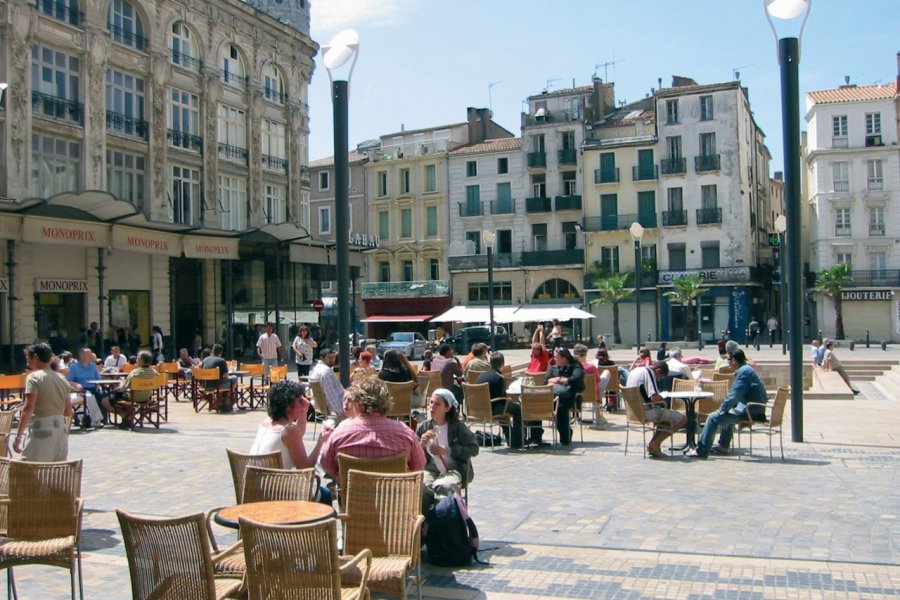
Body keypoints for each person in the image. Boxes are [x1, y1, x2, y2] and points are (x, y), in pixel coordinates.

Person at [320, 377, 426, 480]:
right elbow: (418, 467)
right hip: (393, 495)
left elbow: (328, 467)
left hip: (353, 495)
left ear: (357, 402)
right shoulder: (405, 433)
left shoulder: (341, 432)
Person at [250, 379, 333, 504]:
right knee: (325, 494)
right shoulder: (289, 431)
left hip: (257, 489)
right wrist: (321, 442)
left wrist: (303, 412)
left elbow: (297, 434)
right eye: (300, 401)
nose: (304, 402)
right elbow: (305, 468)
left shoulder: (266, 422)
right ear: (288, 406)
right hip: (279, 493)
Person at [689, 349, 767, 458]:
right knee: (726, 414)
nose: (728, 363)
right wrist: (726, 410)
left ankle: (701, 450)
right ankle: (723, 447)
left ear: (734, 360)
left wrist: (722, 410)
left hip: (751, 411)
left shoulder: (744, 372)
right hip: (754, 409)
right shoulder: (747, 369)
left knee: (713, 417)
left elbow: (734, 395)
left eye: (729, 360)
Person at [417, 388, 478, 506]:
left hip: (455, 469)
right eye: (431, 402)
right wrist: (421, 445)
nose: (432, 407)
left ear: (447, 408)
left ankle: (450, 516)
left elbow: (473, 449)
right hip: (431, 469)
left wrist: (447, 450)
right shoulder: (424, 427)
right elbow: (412, 454)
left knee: (445, 486)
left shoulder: (458, 427)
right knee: (421, 486)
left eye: (437, 404)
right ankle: (429, 518)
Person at [14, 343, 73, 461]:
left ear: (35, 357)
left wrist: (18, 436)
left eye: (28, 358)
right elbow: (68, 411)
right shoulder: (62, 378)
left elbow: (29, 408)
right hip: (61, 431)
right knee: (55, 473)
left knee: (27, 470)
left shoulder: (34, 377)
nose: (27, 363)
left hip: (42, 428)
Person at [625, 361, 687, 458]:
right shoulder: (649, 373)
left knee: (665, 416)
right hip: (647, 412)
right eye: (660, 377)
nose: (659, 379)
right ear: (658, 371)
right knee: (683, 419)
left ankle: (654, 445)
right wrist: (664, 396)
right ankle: (655, 443)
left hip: (634, 412)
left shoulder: (635, 371)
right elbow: (654, 398)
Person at [476, 352, 524, 449]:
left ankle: (511, 439)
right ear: (502, 364)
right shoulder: (499, 377)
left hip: (480, 409)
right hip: (493, 408)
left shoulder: (481, 376)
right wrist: (510, 400)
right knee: (517, 409)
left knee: (504, 411)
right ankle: (517, 441)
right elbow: (502, 398)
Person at [541, 347, 584, 446]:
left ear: (564, 358)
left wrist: (559, 379)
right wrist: (556, 379)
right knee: (535, 405)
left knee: (560, 408)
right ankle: (536, 436)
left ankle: (565, 436)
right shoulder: (554, 368)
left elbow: (576, 379)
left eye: (556, 357)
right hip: (552, 397)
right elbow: (544, 381)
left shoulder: (575, 367)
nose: (554, 359)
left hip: (569, 397)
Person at [110, 351, 160, 428]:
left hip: (133, 398)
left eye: (137, 358)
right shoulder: (155, 373)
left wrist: (117, 388)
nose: (136, 360)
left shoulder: (135, 373)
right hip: (147, 398)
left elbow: (123, 389)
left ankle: (127, 417)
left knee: (111, 398)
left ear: (141, 360)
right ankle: (129, 417)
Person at [67, 348, 109, 423]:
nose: (91, 356)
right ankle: (96, 420)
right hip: (82, 389)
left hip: (93, 387)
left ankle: (103, 419)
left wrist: (98, 384)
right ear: (81, 356)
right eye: (88, 355)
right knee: (90, 396)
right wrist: (76, 384)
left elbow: (98, 378)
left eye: (91, 354)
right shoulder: (74, 367)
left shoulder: (93, 366)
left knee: (105, 395)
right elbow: (69, 380)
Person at [572, 344, 608, 427]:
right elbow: (598, 380)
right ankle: (599, 416)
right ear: (585, 354)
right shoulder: (591, 367)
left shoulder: (571, 367)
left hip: (576, 395)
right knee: (606, 373)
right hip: (593, 394)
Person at [309, 348, 345, 418]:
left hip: (321, 402)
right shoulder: (325, 372)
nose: (332, 360)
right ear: (322, 358)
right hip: (336, 402)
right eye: (329, 357)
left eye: (334, 357)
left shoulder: (316, 368)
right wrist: (341, 412)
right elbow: (331, 394)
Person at [200, 344, 236, 412]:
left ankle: (222, 399)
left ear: (212, 351)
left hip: (204, 385)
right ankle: (228, 398)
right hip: (216, 386)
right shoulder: (221, 360)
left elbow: (202, 371)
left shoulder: (205, 359)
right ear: (221, 352)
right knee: (234, 378)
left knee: (226, 381)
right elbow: (226, 377)